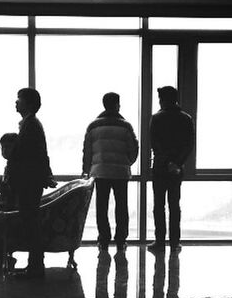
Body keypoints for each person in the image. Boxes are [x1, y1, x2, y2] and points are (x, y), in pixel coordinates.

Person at [8, 87, 55, 279]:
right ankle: (34, 266)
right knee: (31, 223)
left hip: (28, 182)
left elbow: (28, 156)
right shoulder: (32, 124)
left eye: (18, 99)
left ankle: (35, 267)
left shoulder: (30, 126)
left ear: (27, 103)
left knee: (31, 224)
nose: (15, 103)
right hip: (31, 181)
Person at [82, 92, 139, 251]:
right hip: (120, 172)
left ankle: (103, 239)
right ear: (117, 104)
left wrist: (86, 170)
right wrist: (127, 162)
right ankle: (121, 240)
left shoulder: (93, 126)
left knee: (102, 206)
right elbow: (133, 149)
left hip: (100, 172)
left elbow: (87, 151)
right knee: (121, 206)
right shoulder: (125, 126)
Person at [148, 86, 194, 253]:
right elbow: (189, 144)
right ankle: (175, 242)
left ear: (162, 99)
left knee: (159, 205)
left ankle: (160, 241)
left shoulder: (157, 118)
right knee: (175, 205)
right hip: (177, 169)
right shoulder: (186, 118)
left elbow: (155, 144)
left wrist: (166, 161)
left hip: (160, 167)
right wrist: (176, 162)